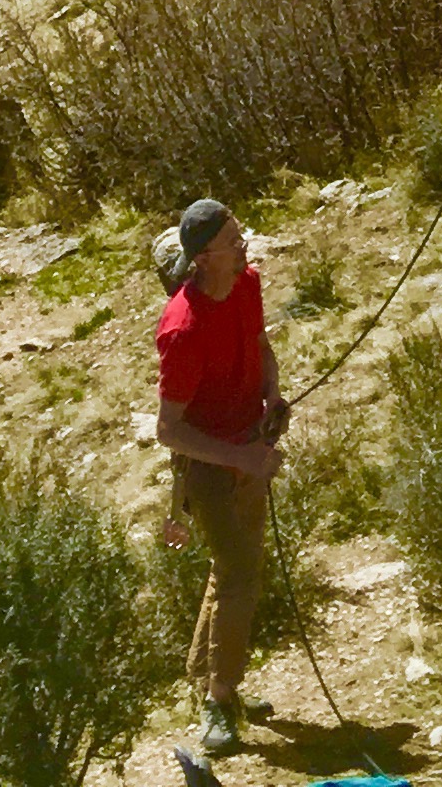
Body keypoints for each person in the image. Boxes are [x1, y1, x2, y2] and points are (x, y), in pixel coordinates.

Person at [154, 198, 283, 760]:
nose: (243, 242)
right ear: (205, 257)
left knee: (231, 568)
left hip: (251, 445)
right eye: (233, 238)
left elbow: (259, 346)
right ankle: (219, 700)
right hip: (209, 468)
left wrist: (272, 395)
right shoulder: (182, 329)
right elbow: (168, 429)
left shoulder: (246, 283)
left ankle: (210, 680)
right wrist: (241, 457)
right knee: (240, 576)